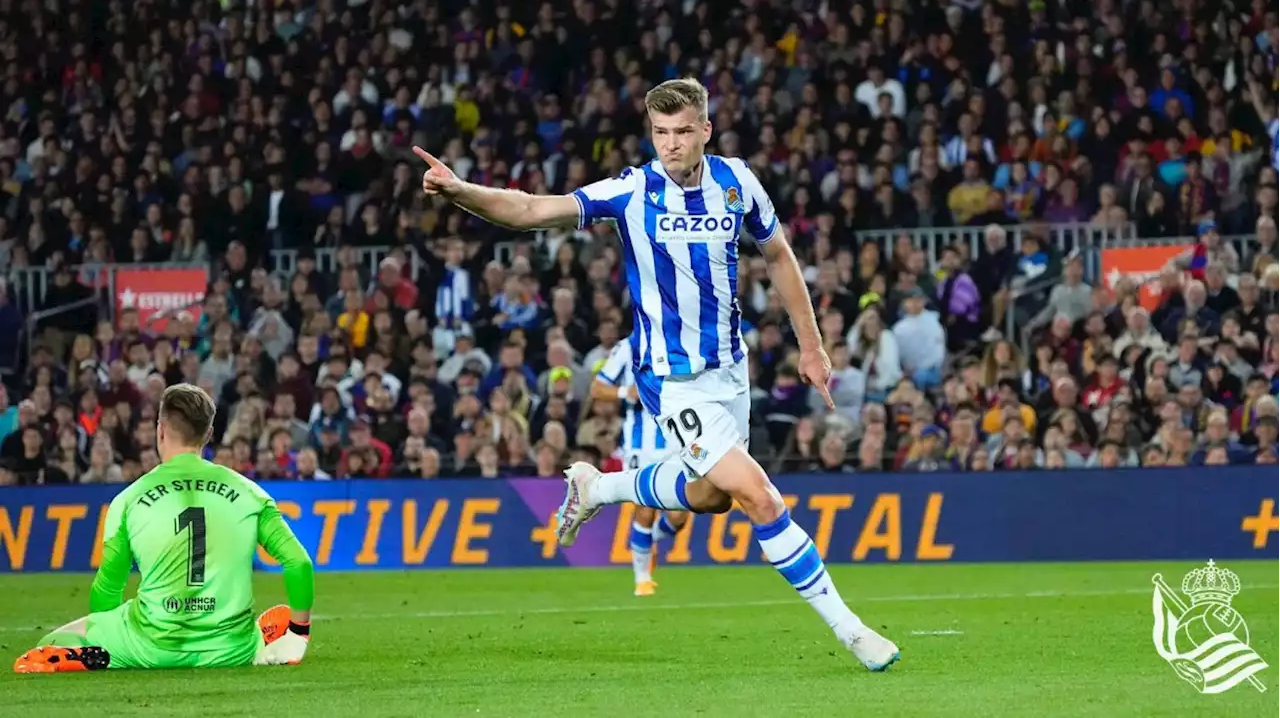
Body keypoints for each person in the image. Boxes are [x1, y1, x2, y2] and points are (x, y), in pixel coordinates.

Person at [413, 77, 899, 671]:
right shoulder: (632, 190)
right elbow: (535, 209)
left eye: (682, 133)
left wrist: (811, 345)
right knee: (759, 497)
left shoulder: (737, 181)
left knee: (711, 497)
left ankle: (599, 488)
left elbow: (778, 253)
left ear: (705, 131)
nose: (670, 145)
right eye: (660, 133)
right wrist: (462, 190)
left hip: (730, 370)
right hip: (671, 379)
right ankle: (853, 634)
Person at [13, 384, 314, 673]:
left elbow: (108, 589)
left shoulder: (129, 499)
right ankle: (267, 640)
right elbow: (298, 562)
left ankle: (100, 656)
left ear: (160, 430)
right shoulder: (250, 494)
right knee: (275, 621)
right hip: (230, 651)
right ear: (208, 434)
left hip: (149, 647)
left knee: (52, 642)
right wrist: (299, 634)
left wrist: (104, 633)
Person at [591, 338, 690, 596]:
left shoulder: (680, 340)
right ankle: (642, 579)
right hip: (639, 445)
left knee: (681, 514)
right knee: (644, 509)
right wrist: (626, 393)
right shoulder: (626, 348)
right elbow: (597, 388)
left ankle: (651, 541)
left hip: (676, 439)